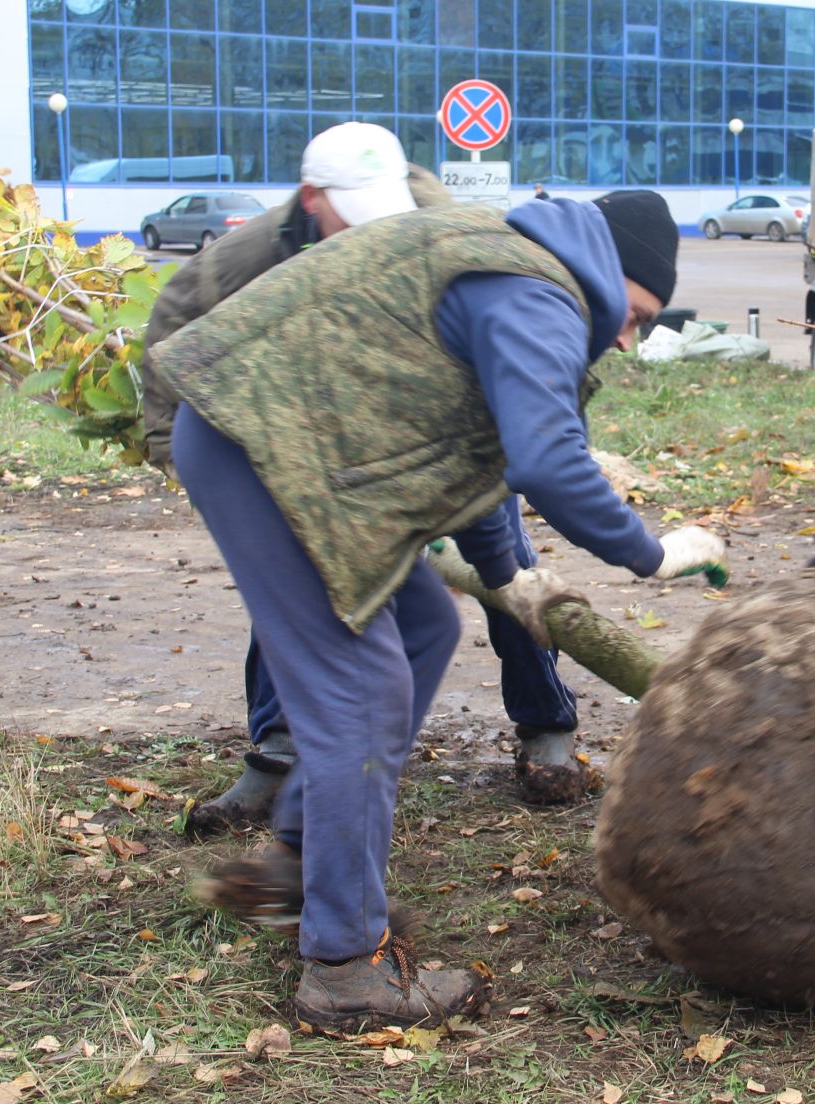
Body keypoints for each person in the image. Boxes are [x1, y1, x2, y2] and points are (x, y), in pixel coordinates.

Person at [153, 184, 728, 1030]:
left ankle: (303, 859)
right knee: (362, 690)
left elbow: (474, 440)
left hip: (285, 446)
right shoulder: (538, 290)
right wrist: (651, 552)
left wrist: (510, 576)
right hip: (265, 451)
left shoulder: (504, 257)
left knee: (424, 626)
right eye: (635, 312)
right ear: (610, 270)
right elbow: (544, 458)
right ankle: (346, 968)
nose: (627, 336)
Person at [141, 124, 593, 832]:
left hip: (443, 426)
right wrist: (171, 445)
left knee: (507, 573)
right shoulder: (254, 253)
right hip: (324, 448)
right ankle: (280, 753)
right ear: (310, 197)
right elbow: (176, 323)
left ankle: (546, 729)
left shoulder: (437, 221)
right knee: (296, 594)